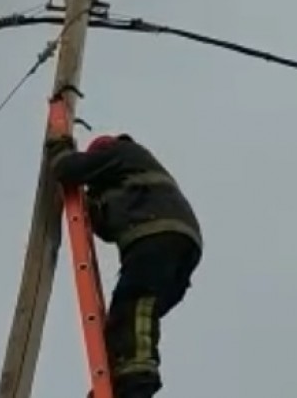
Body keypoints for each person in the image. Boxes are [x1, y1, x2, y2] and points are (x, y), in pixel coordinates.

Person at [45, 132, 203, 398]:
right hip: (175, 245)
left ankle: (137, 380)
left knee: (134, 302)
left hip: (156, 236)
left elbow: (68, 169)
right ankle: (119, 378)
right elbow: (105, 227)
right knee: (126, 315)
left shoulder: (118, 152)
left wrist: (60, 150)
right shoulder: (128, 179)